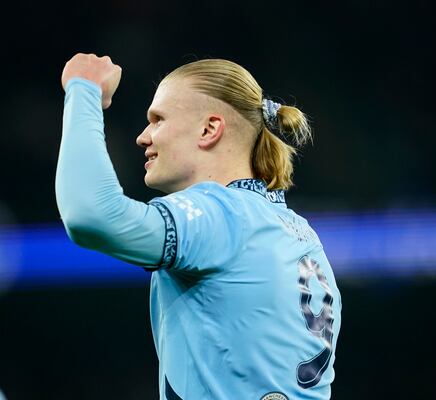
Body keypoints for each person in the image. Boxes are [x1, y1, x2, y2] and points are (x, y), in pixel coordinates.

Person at [55, 53, 342, 400]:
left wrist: (82, 90)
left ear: (209, 129)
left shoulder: (221, 214)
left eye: (157, 120)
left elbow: (91, 215)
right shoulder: (303, 235)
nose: (143, 137)